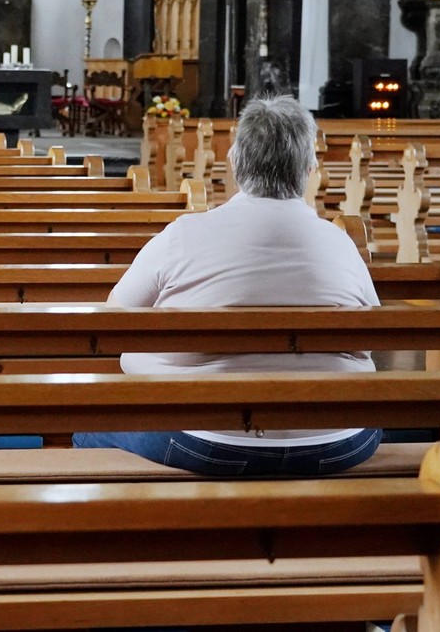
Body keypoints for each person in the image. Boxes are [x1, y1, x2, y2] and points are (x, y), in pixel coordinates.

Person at [73, 96, 382, 476]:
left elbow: (115, 322)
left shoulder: (184, 235)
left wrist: (143, 364)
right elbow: (369, 341)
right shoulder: (339, 243)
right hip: (338, 441)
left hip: (206, 442)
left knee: (91, 427)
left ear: (235, 161)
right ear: (309, 168)